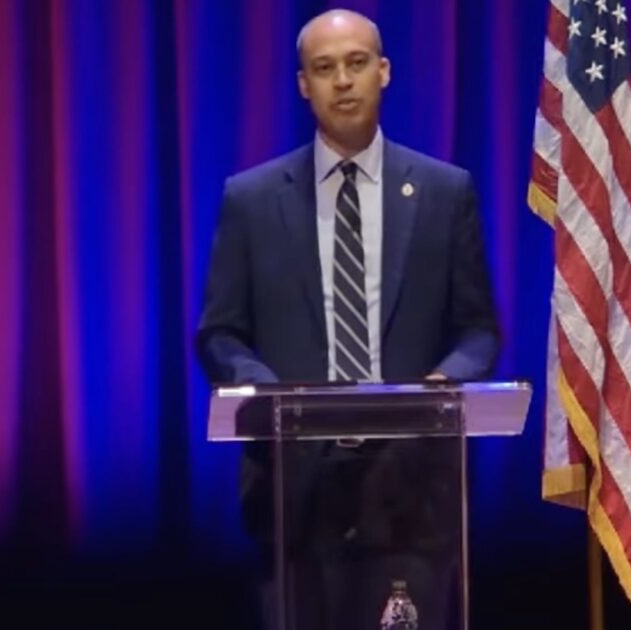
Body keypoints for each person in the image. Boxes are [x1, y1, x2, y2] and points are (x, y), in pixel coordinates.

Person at [196, 9, 498, 629]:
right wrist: (270, 393)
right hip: (296, 490)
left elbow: (478, 329)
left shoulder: (445, 192)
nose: (342, 82)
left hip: (413, 486)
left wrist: (442, 385)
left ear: (383, 72)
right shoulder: (250, 200)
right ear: (303, 84)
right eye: (324, 68)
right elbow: (219, 331)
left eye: (356, 64)